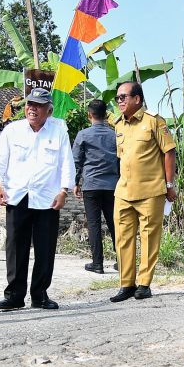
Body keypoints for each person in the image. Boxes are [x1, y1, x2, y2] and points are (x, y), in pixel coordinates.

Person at [0, 87, 75, 312]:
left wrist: (64, 191)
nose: (32, 109)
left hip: (48, 198)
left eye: (38, 105)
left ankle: (40, 294)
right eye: (29, 104)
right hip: (17, 196)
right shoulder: (12, 131)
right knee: (16, 248)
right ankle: (14, 296)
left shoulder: (58, 132)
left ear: (49, 110)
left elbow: (67, 163)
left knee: (45, 248)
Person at [110, 81, 176, 302]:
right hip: (123, 191)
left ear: (137, 99)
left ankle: (144, 284)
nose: (119, 101)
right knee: (123, 238)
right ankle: (126, 284)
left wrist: (169, 185)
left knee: (148, 238)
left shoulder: (154, 121)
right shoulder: (119, 124)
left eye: (123, 97)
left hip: (151, 190)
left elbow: (169, 152)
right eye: (117, 97)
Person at [72, 98, 119, 274]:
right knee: (115, 224)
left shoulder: (83, 135)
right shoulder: (115, 135)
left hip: (91, 185)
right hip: (113, 186)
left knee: (93, 224)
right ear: (106, 115)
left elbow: (76, 161)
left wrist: (75, 183)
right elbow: (122, 160)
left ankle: (97, 263)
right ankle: (122, 262)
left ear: (89, 115)